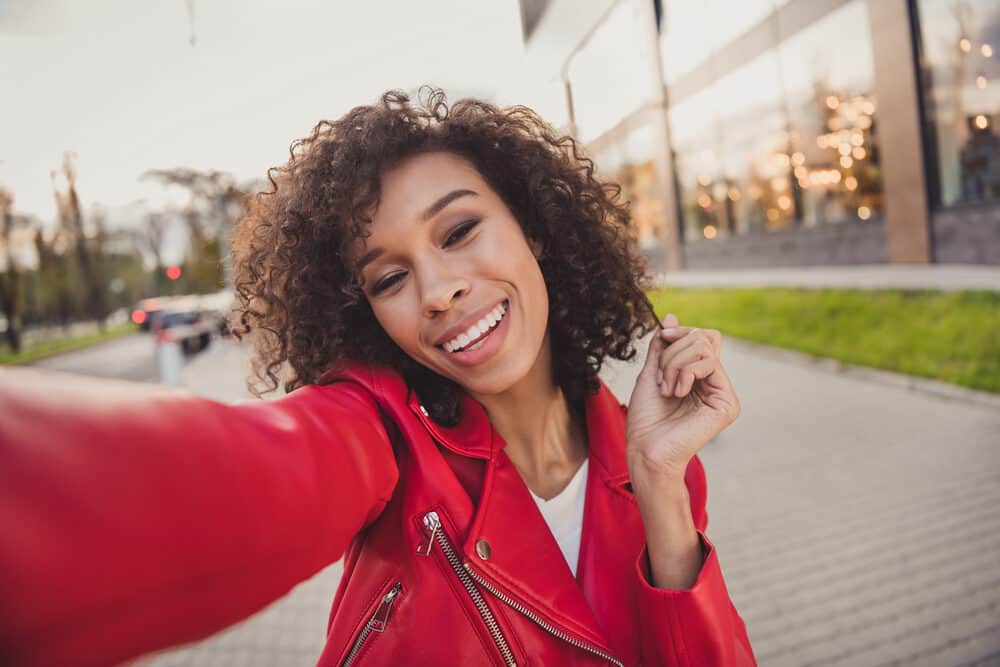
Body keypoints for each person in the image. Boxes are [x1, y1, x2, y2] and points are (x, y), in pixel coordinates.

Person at [0, 88, 755, 666]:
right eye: (390, 277)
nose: (435, 290)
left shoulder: (652, 464)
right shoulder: (378, 439)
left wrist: (659, 477)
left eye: (459, 231)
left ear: (535, 228)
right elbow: (212, 480)